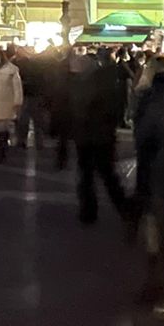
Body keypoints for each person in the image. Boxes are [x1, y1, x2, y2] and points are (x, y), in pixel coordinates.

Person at [70, 53, 133, 227]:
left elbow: (83, 109)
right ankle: (120, 207)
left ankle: (92, 211)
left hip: (92, 135)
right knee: (102, 174)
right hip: (98, 136)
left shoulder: (86, 85)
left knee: (93, 174)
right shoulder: (103, 83)